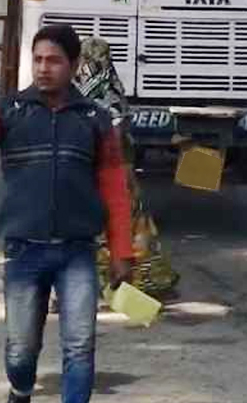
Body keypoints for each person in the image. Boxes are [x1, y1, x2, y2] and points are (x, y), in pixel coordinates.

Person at [0, 24, 133, 403]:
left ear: (74, 65)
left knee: (79, 346)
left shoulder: (94, 120)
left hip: (77, 251)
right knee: (21, 350)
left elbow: (114, 190)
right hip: (24, 251)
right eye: (38, 59)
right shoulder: (8, 110)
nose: (44, 68)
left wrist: (121, 253)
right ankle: (21, 390)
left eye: (54, 60)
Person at [76, 37, 179, 298]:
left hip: (92, 174)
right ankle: (135, 280)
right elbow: (121, 136)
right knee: (127, 229)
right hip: (110, 172)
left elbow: (117, 136)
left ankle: (93, 283)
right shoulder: (112, 90)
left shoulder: (76, 93)